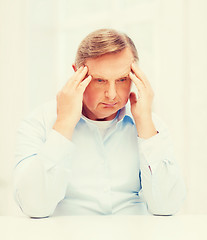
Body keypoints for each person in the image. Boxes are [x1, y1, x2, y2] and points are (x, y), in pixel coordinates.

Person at [14, 28, 186, 218]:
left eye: (122, 79)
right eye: (100, 80)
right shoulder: (39, 123)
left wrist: (145, 123)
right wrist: (63, 124)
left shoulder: (151, 125)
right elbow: (34, 208)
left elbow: (167, 207)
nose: (112, 94)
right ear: (76, 75)